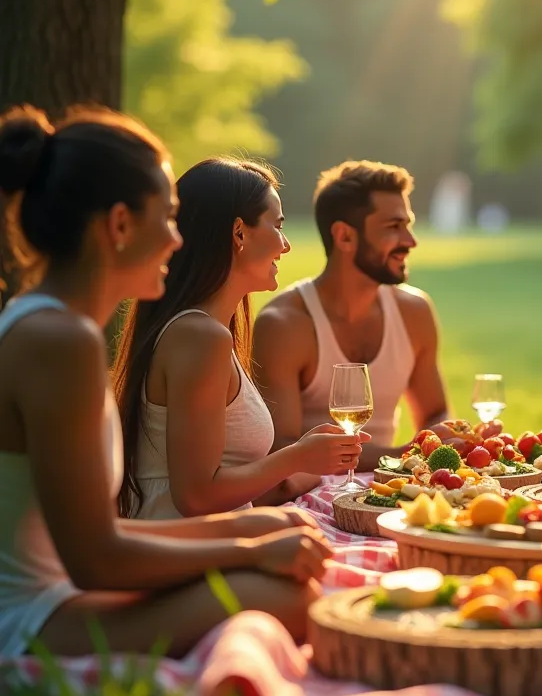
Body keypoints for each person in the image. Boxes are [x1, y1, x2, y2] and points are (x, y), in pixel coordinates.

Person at [0, 107, 333, 658]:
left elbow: (102, 536)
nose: (179, 241)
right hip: (30, 625)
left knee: (282, 546)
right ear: (120, 226)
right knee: (287, 598)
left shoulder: (52, 326)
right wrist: (245, 551)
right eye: (168, 218)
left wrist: (253, 534)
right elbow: (95, 558)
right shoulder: (59, 341)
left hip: (62, 596)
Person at [112, 158, 366, 520]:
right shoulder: (200, 337)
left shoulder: (204, 332)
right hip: (182, 554)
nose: (286, 244)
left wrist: (303, 466)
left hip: (212, 539)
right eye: (277, 226)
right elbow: (196, 497)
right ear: (239, 233)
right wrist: (297, 456)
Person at [253, 161, 449, 470]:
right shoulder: (284, 325)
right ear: (344, 237)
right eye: (394, 227)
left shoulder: (415, 312)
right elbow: (282, 450)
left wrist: (445, 436)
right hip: (305, 498)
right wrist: (400, 455)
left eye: (408, 225)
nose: (410, 241)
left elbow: (435, 412)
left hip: (385, 490)